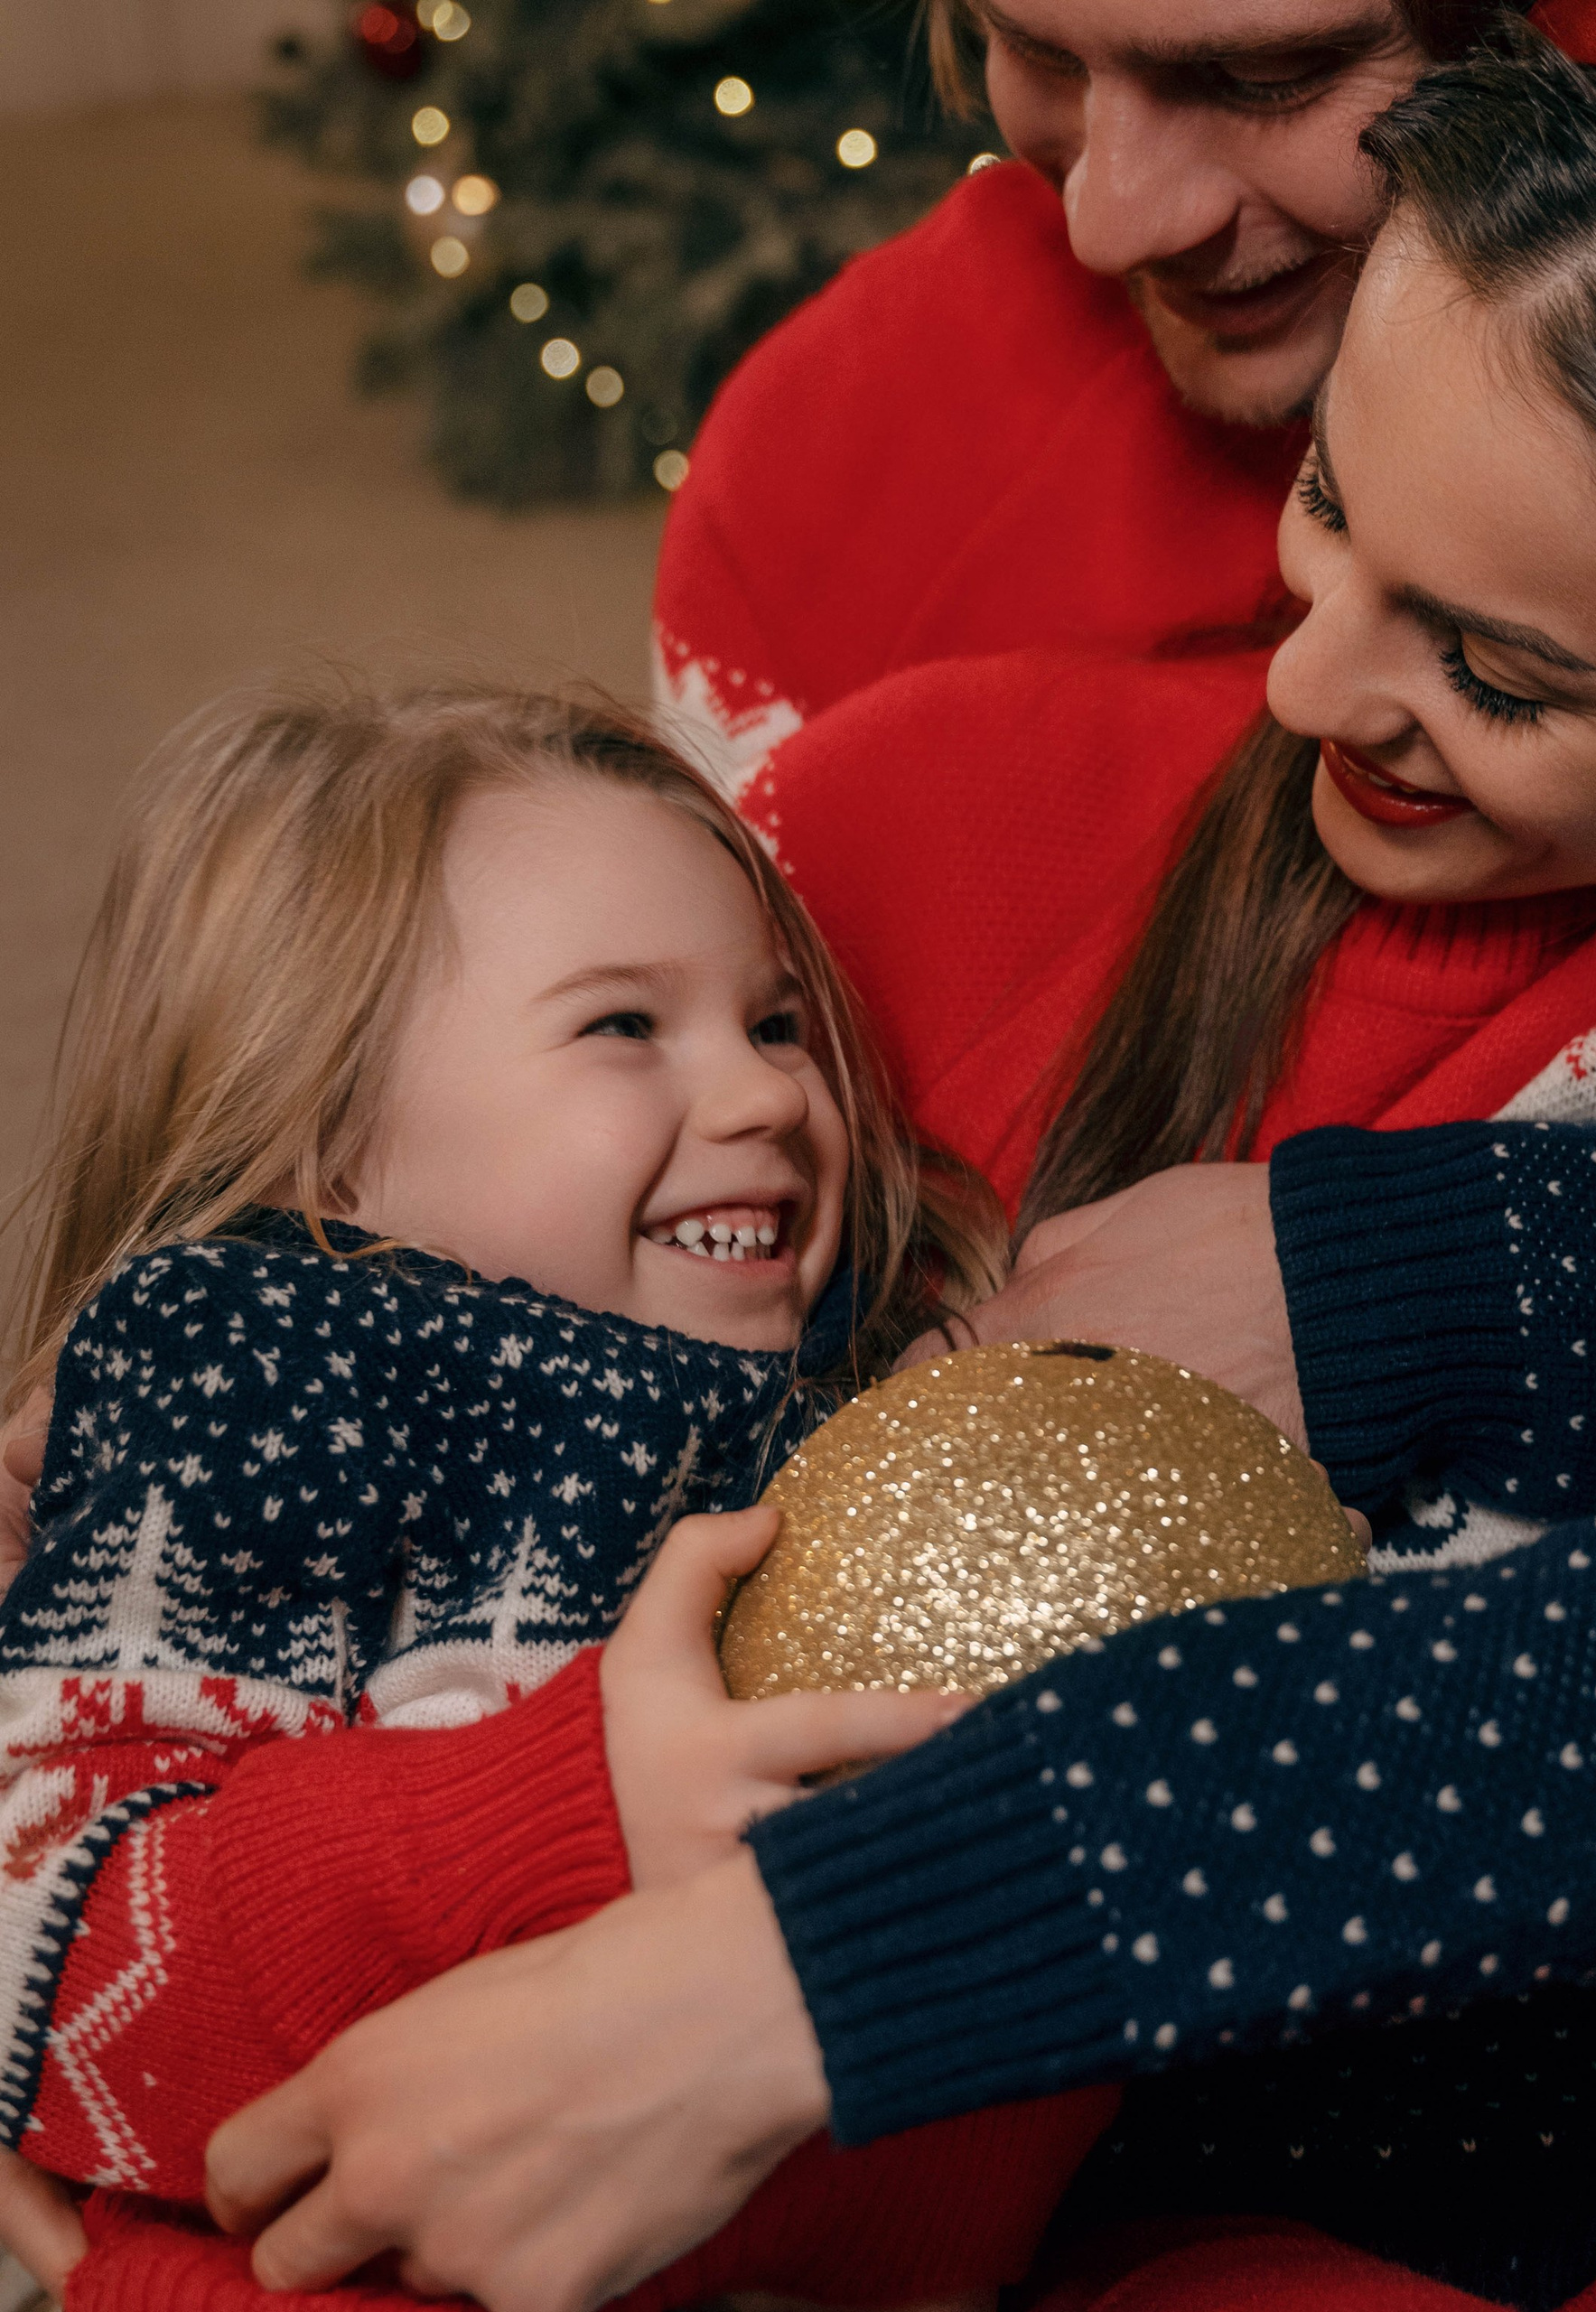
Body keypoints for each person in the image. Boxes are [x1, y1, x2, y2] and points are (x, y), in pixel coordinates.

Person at [174, 7, 1596, 2311]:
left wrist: (821, 1970)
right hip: (1051, 2163)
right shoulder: (948, 779)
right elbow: (470, 1132)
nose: (1303, 682)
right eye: (1322, 494)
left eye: (1495, 664)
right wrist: (172, 1370)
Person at [0, 685, 1117, 2308]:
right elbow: (54, 1929)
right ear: (330, 1146)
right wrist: (576, 1816)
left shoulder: (874, 1422)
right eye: (623, 1026)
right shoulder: (260, 1361)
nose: (761, 1100)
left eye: (778, 1023)